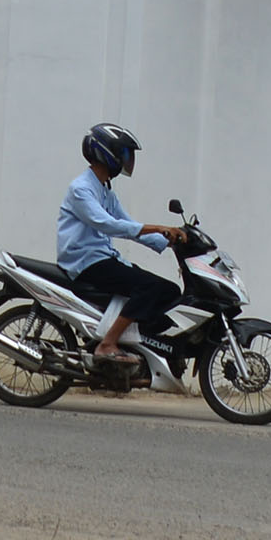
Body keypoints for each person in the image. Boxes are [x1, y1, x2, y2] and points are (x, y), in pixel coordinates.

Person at [57, 122, 183, 389]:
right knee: (149, 288)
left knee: (169, 291)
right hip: (85, 262)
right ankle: (107, 344)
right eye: (125, 154)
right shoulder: (81, 188)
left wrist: (172, 243)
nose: (128, 160)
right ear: (107, 153)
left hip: (104, 258)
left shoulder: (104, 189)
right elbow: (108, 224)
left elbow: (128, 224)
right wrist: (158, 227)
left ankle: (133, 351)